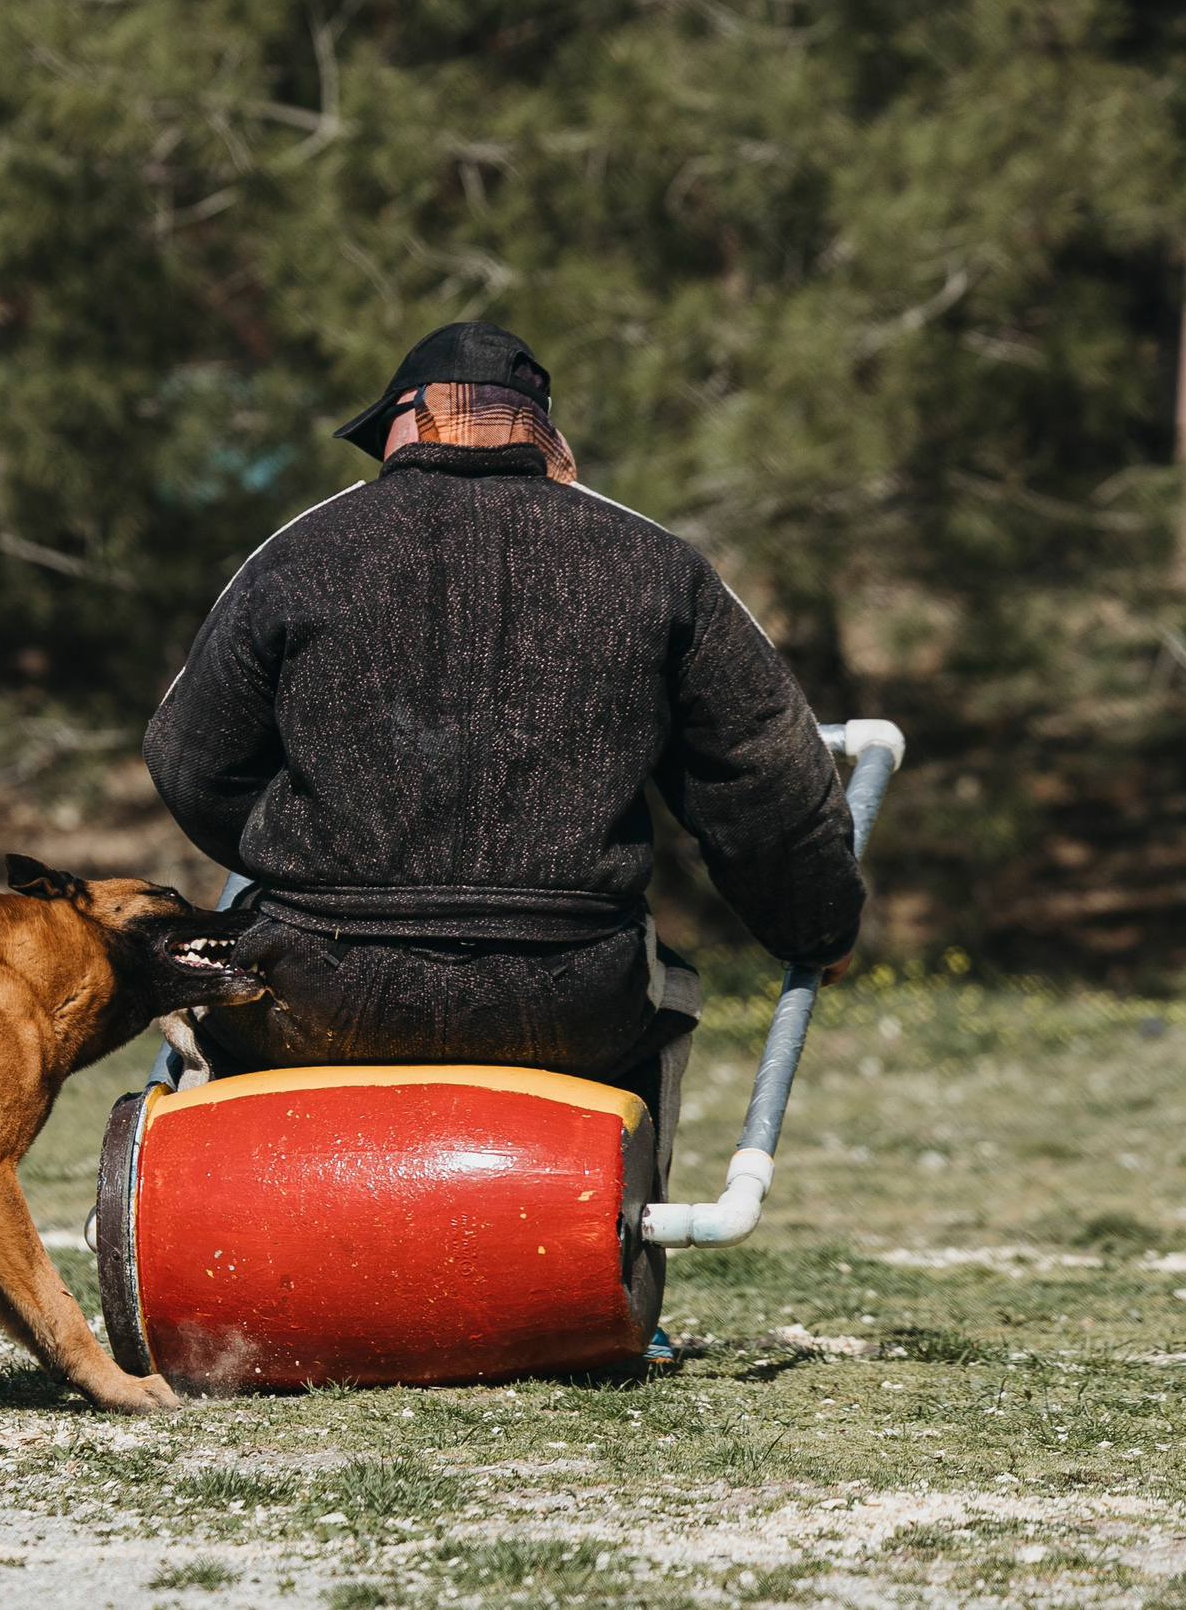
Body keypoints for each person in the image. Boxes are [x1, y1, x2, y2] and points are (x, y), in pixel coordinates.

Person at [143, 322, 866, 1173]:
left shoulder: (301, 549)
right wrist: (816, 929)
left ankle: (224, 1235)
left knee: (215, 992)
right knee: (664, 995)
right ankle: (613, 1261)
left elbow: (190, 760)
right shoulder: (657, 562)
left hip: (318, 984)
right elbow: (765, 777)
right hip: (570, 998)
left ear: (407, 422)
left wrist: (312, 860)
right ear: (539, 430)